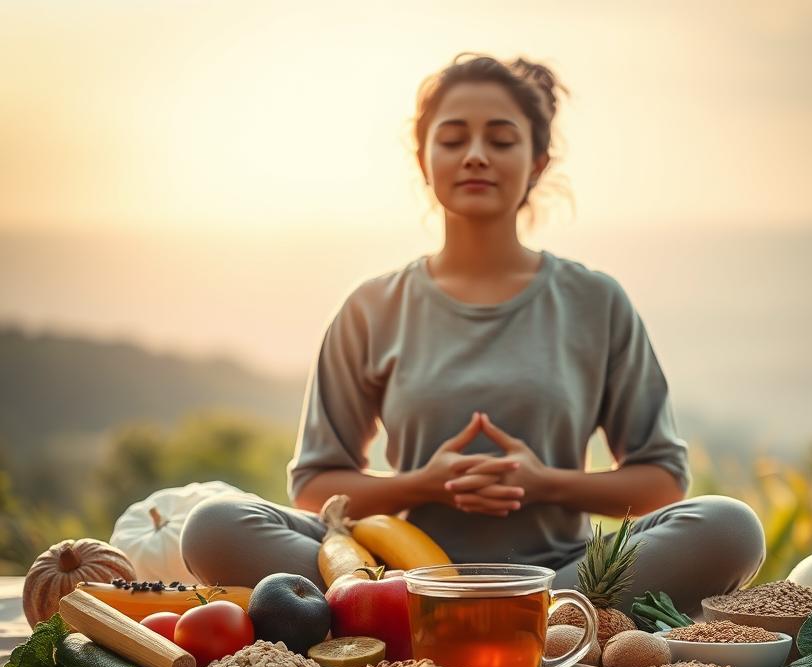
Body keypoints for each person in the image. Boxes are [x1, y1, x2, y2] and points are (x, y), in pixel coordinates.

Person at [180, 53, 766, 617]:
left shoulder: (595, 301)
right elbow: (315, 485)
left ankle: (484, 623)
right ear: (424, 158)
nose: (477, 156)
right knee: (214, 525)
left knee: (728, 526)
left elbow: (662, 479)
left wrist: (542, 484)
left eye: (502, 140)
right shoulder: (371, 307)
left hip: (563, 577)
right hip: (396, 575)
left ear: (536, 161)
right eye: (454, 138)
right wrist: (424, 483)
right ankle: (457, 618)